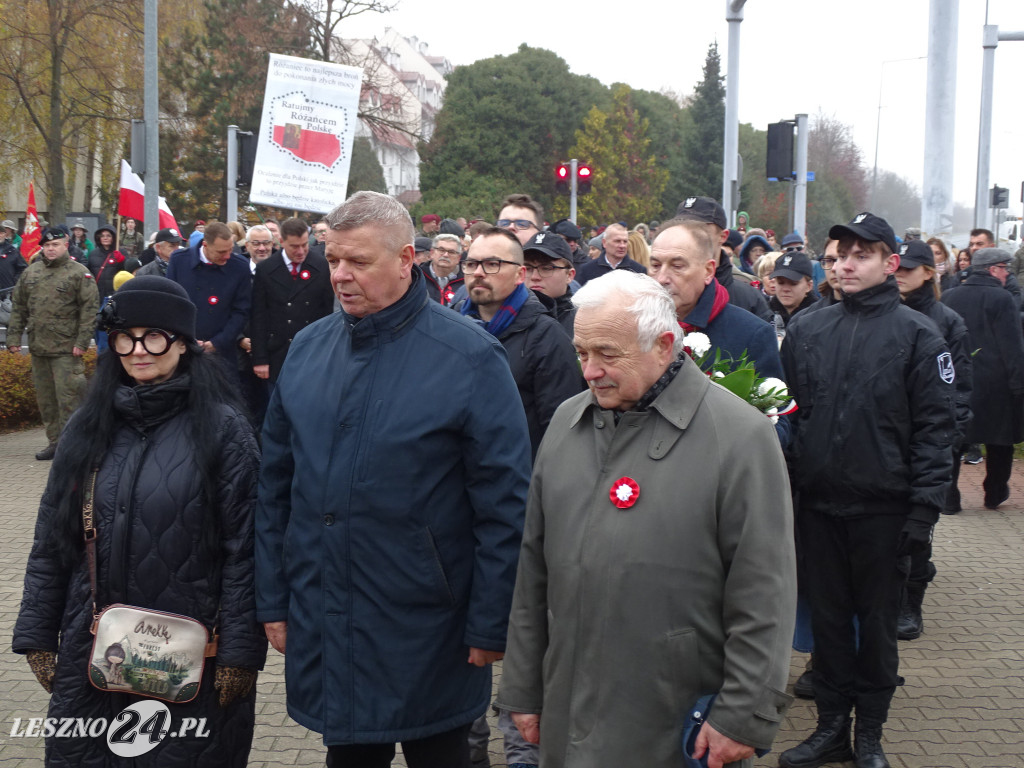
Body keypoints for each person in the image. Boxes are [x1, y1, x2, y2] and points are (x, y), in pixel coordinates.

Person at [255, 191, 532, 768]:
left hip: (430, 626)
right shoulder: (307, 350)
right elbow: (276, 488)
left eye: (358, 262)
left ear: (408, 258)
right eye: (333, 261)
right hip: (328, 611)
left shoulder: (470, 358)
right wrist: (273, 598)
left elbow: (505, 505)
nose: (340, 275)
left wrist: (490, 621)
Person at [496, 270, 796, 768]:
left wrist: (743, 715)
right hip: (567, 712)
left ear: (663, 345)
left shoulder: (739, 437)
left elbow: (765, 592)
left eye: (607, 354)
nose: (589, 371)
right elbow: (533, 576)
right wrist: (523, 690)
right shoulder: (567, 425)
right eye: (582, 352)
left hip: (675, 724)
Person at [13, 275, 265, 767]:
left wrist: (240, 650)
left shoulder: (224, 429)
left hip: (188, 654)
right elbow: (52, 538)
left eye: (154, 336)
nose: (138, 350)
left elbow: (246, 548)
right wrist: (38, 634)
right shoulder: (87, 427)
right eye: (125, 338)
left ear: (184, 343)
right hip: (92, 645)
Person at [779, 213, 955, 768]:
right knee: (828, 624)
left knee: (876, 628)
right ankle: (831, 726)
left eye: (861, 254)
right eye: (838, 255)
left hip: (884, 511)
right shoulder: (808, 330)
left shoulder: (919, 336)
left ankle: (870, 733)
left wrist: (922, 513)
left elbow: (936, 432)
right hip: (820, 509)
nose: (845, 265)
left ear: (889, 263)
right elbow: (790, 417)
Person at [894, 239, 972, 641]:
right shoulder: (883, 313)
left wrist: (949, 438)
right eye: (898, 265)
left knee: (918, 529)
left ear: (929, 272)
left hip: (927, 441)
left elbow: (958, 387)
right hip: (885, 442)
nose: (901, 273)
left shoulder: (946, 320)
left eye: (911, 267)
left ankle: (911, 603)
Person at [459, 227, 583, 458]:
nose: (478, 272)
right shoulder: (452, 324)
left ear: (519, 274)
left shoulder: (548, 337)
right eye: (471, 264)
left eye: (492, 264)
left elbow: (558, 432)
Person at [942, 247, 1024, 510]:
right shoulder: (1002, 299)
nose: (1007, 274)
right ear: (993, 269)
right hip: (996, 383)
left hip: (958, 379)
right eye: (1005, 268)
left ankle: (949, 498)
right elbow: (1012, 345)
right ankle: (994, 493)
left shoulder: (949, 296)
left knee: (955, 441)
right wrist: (1018, 384)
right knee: (1000, 442)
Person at [6, 227, 99, 460]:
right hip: (39, 347)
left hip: (66, 350)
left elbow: (89, 310)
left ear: (65, 245)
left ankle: (73, 446)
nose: (50, 249)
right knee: (46, 401)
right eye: (46, 246)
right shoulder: (31, 272)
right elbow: (18, 307)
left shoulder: (79, 273)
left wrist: (82, 341)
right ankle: (55, 443)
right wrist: (14, 338)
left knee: (69, 399)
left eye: (55, 245)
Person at [250, 217, 334, 383]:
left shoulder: (321, 266)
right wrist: (260, 359)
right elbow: (258, 317)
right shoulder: (266, 269)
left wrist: (324, 354)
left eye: (304, 245)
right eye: (295, 246)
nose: (301, 251)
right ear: (281, 241)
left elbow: (327, 314)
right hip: (277, 351)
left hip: (311, 350)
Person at [166, 221, 252, 378]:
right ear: (205, 245)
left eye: (230, 250)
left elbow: (241, 311)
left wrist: (218, 342)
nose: (227, 256)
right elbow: (170, 305)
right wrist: (186, 339)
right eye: (221, 252)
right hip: (184, 349)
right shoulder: (179, 261)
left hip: (223, 353)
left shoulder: (239, 267)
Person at [674, 196, 773, 321]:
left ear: (723, 236)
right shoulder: (662, 290)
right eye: (682, 229)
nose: (689, 237)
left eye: (700, 230)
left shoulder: (749, 298)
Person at [523, 231, 576, 336]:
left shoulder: (584, 322)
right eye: (528, 269)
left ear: (569, 275)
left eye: (546, 268)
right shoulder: (506, 316)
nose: (535, 277)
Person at [575, 223, 647, 286]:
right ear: (604, 243)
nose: (622, 246)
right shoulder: (588, 270)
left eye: (625, 241)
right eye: (617, 241)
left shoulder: (638, 271)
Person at [769, 250, 818, 327]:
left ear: (809, 286)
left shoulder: (819, 316)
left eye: (793, 283)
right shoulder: (766, 312)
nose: (785, 289)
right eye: (780, 282)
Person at [421, 233, 465, 306]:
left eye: (451, 252)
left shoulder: (466, 281)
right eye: (441, 250)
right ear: (432, 253)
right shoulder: (417, 277)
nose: (445, 255)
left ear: (458, 258)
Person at [0, 219, 27, 289]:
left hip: (7, 292)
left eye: (1, 233)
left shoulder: (12, 251)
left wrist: (14, 282)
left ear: (5, 234)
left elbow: (22, 268)